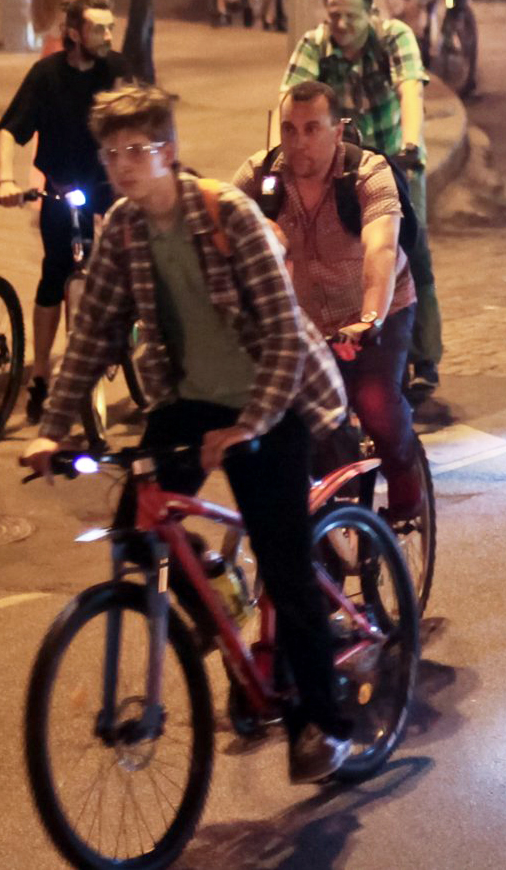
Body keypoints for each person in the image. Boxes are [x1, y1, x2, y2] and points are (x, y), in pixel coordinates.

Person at [20, 85, 357, 785]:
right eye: (111, 153)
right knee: (135, 530)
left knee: (287, 566)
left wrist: (247, 425)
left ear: (167, 151)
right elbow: (93, 334)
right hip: (189, 398)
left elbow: (283, 338)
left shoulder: (225, 214)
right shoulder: (122, 229)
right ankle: (219, 587)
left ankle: (321, 725)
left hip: (275, 398)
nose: (122, 165)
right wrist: (51, 431)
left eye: (137, 151)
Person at [234, 82, 426, 521]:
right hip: (305, 326)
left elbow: (380, 249)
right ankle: (337, 527)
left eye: (312, 128)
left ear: (337, 131)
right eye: (289, 129)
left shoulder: (367, 174)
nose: (299, 142)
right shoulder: (259, 179)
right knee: (313, 427)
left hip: (380, 310)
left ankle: (404, 471)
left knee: (375, 403)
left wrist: (370, 317)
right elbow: (216, 229)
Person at [283, 0, 445, 398]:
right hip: (339, 170)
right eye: (333, 14)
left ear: (371, 14)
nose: (340, 24)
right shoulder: (315, 46)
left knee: (412, 252)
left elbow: (410, 89)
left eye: (350, 16)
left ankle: (425, 356)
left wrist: (411, 145)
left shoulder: (394, 37)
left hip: (393, 162)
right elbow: (290, 102)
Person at [0, 0, 127, 418]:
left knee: (132, 263)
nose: (107, 36)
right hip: (61, 188)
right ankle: (40, 377)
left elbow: (146, 119)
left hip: (109, 186)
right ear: (74, 34)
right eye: (98, 29)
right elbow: (8, 130)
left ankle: (130, 342)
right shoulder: (46, 75)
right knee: (54, 275)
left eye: (110, 27)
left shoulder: (117, 71)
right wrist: (6, 179)